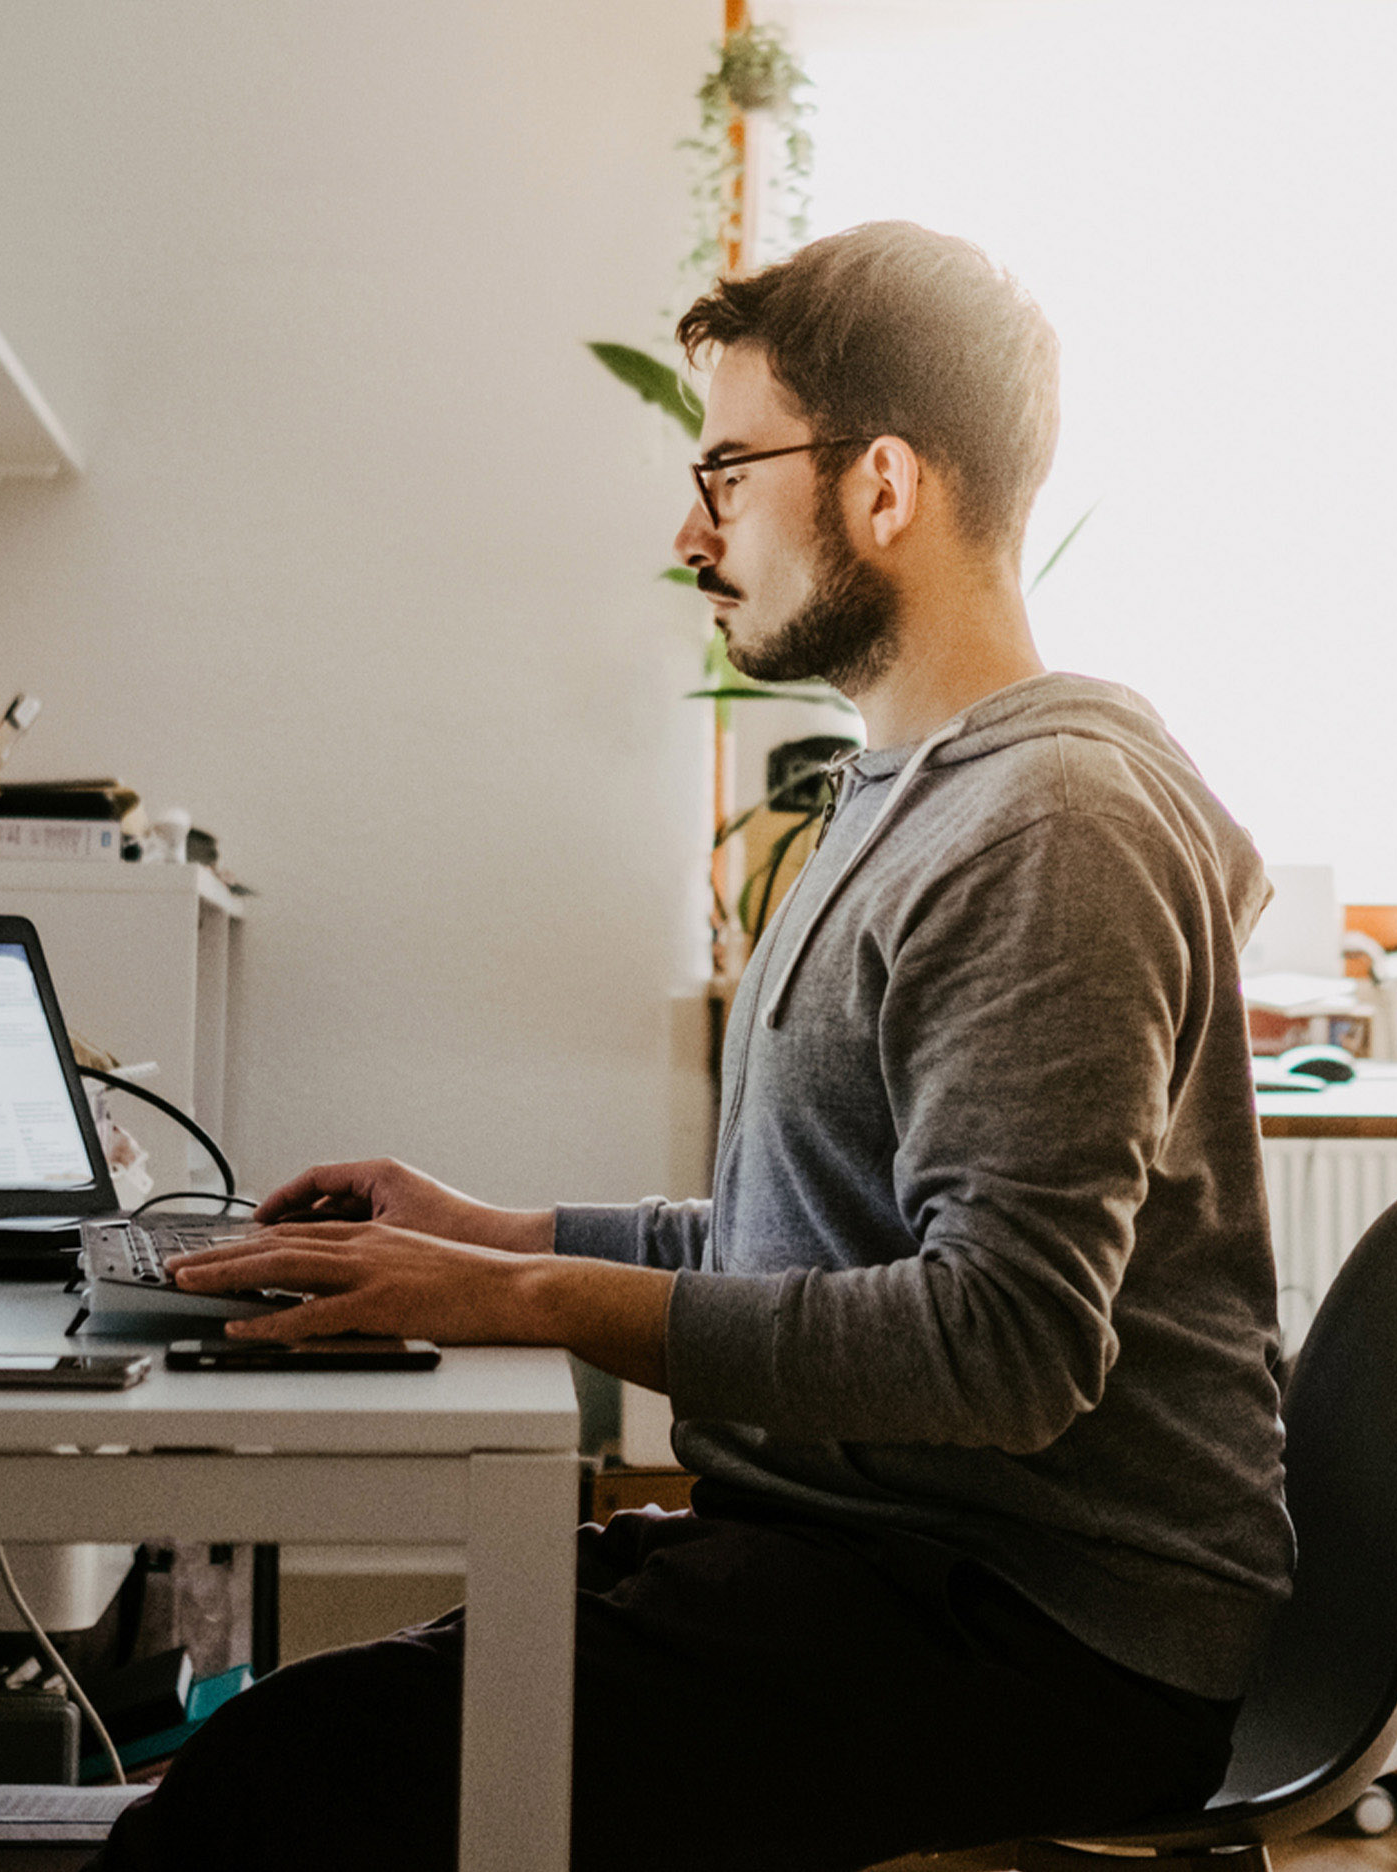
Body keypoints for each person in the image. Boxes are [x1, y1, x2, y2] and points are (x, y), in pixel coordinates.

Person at [98, 222, 1292, 1872]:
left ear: (884, 486)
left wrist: (517, 1302)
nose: (690, 529)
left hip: (1040, 1638)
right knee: (293, 1755)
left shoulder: (1048, 830)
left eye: (728, 470)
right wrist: (487, 1233)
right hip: (890, 1565)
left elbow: (1005, 1349)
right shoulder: (902, 799)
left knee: (279, 1795)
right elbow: (811, 1248)